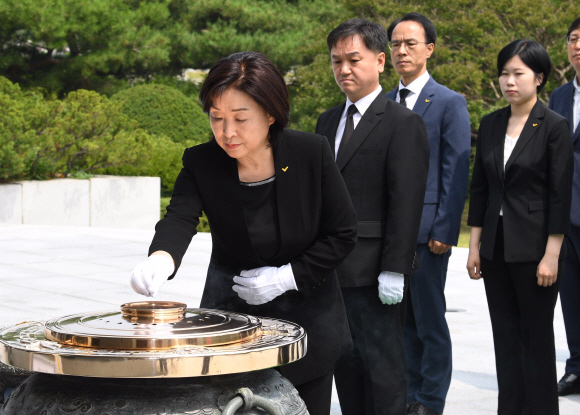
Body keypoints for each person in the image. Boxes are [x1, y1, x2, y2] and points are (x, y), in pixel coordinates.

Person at [129, 51, 358, 415]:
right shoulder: (202, 161)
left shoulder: (309, 153)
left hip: (307, 322)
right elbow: (180, 217)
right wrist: (161, 257)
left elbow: (343, 232)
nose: (227, 132)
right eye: (216, 118)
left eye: (240, 118)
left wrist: (287, 277)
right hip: (233, 321)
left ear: (270, 114)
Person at [316, 19, 429, 415]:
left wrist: (395, 268)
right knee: (345, 365)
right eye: (336, 61)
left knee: (383, 369)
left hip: (375, 270)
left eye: (354, 59)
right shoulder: (327, 121)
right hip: (331, 268)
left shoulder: (403, 123)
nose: (344, 69)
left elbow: (406, 201)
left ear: (380, 60)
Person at [466, 40, 574, 415]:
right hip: (495, 250)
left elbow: (560, 196)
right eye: (504, 74)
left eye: (518, 74)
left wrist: (552, 256)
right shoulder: (491, 123)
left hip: (536, 252)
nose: (509, 82)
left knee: (537, 339)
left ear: (539, 78)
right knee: (506, 339)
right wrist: (475, 246)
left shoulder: (554, 126)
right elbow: (480, 187)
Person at [386, 12, 471, 415]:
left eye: (411, 43)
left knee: (429, 322)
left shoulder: (449, 102)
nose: (402, 51)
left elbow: (456, 169)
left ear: (429, 49)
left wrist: (445, 228)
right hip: (387, 233)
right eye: (396, 44)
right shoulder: (385, 102)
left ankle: (429, 400)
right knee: (399, 321)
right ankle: (407, 394)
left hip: (426, 232)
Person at [548, 16, 580, 397]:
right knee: (570, 299)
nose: (578, 46)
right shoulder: (557, 97)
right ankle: (576, 367)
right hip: (565, 216)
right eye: (573, 39)